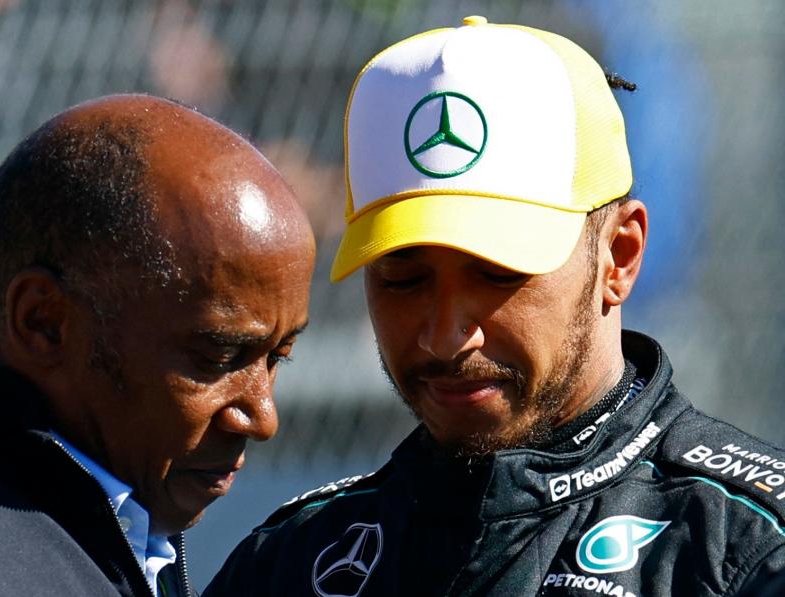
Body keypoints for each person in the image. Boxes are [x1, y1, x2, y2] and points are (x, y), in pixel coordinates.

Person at [206, 16, 785, 597]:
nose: (446, 335)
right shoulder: (291, 561)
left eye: (498, 272)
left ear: (620, 256)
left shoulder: (746, 551)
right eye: (403, 278)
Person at [0, 94, 315, 596]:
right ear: (44, 322)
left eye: (279, 358)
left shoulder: (125, 537)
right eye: (217, 357)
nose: (262, 417)